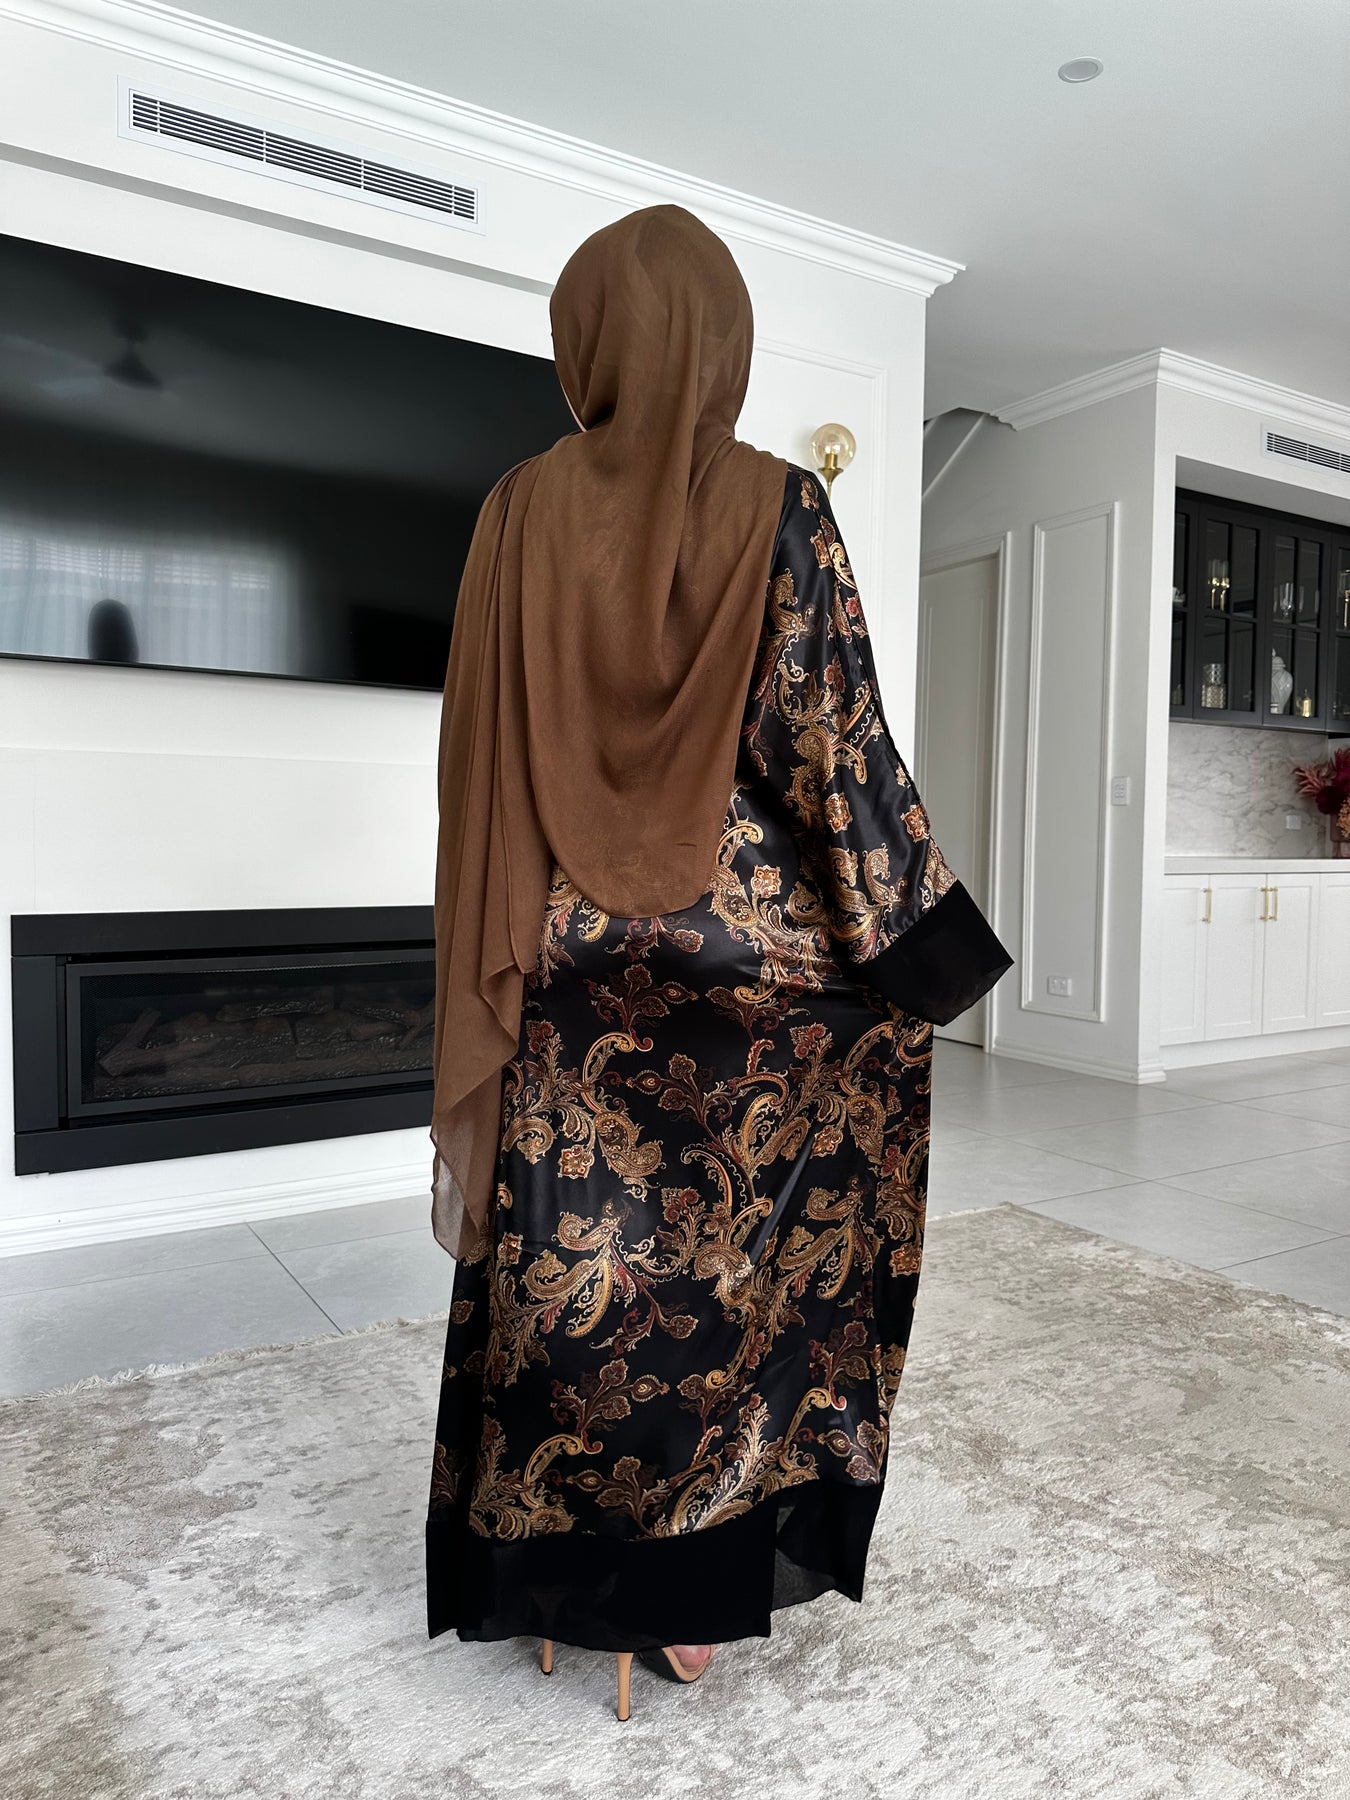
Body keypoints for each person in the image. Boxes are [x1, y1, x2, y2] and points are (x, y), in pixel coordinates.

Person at [425, 203, 1011, 1720]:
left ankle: (558, 1579)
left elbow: (481, 755)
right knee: (748, 1260)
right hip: (749, 958)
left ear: (589, 343)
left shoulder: (514, 508)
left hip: (558, 944)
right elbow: (827, 742)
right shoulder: (777, 502)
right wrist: (924, 947)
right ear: (722, 346)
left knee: (577, 1260)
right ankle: (688, 1582)